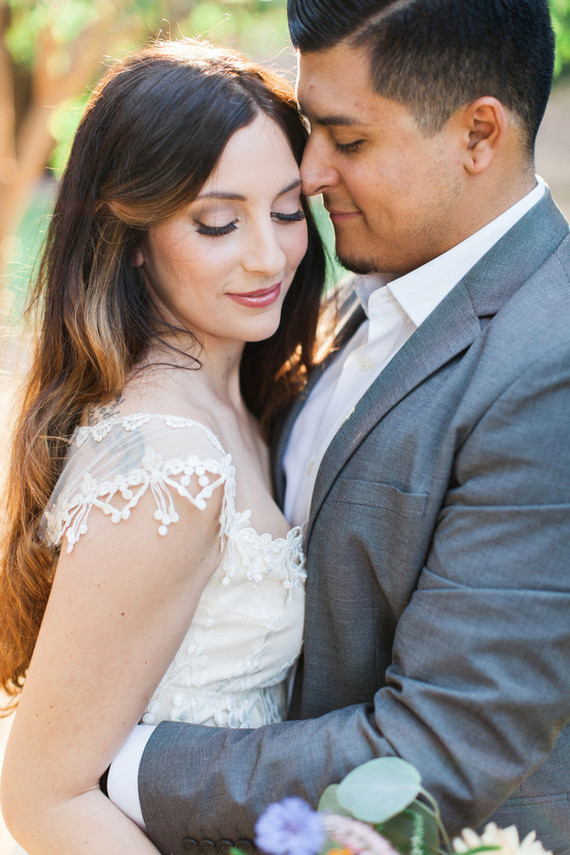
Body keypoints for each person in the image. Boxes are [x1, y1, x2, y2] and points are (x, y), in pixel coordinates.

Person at [101, 1, 570, 853]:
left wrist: (120, 766)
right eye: (310, 128)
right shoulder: (355, 298)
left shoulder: (551, 365)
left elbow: (432, 751)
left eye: (347, 141)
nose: (310, 173)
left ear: (478, 135)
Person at [0, 38, 327, 854]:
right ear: (135, 235)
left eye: (288, 209)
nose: (268, 253)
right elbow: (43, 796)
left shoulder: (238, 395)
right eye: (218, 221)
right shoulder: (168, 462)